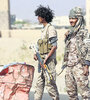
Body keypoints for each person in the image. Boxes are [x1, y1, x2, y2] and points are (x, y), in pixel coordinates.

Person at [63, 7, 90, 100]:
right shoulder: (69, 33)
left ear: (79, 19)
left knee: (85, 94)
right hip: (69, 67)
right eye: (70, 18)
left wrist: (86, 65)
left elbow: (89, 50)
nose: (71, 20)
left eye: (73, 18)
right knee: (71, 94)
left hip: (80, 67)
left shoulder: (84, 33)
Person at [34, 5, 59, 100]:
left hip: (49, 62)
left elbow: (54, 46)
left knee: (50, 85)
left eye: (39, 16)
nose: (37, 18)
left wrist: (46, 58)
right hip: (42, 61)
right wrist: (36, 55)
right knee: (39, 85)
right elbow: (41, 45)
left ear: (43, 17)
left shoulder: (50, 29)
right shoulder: (43, 30)